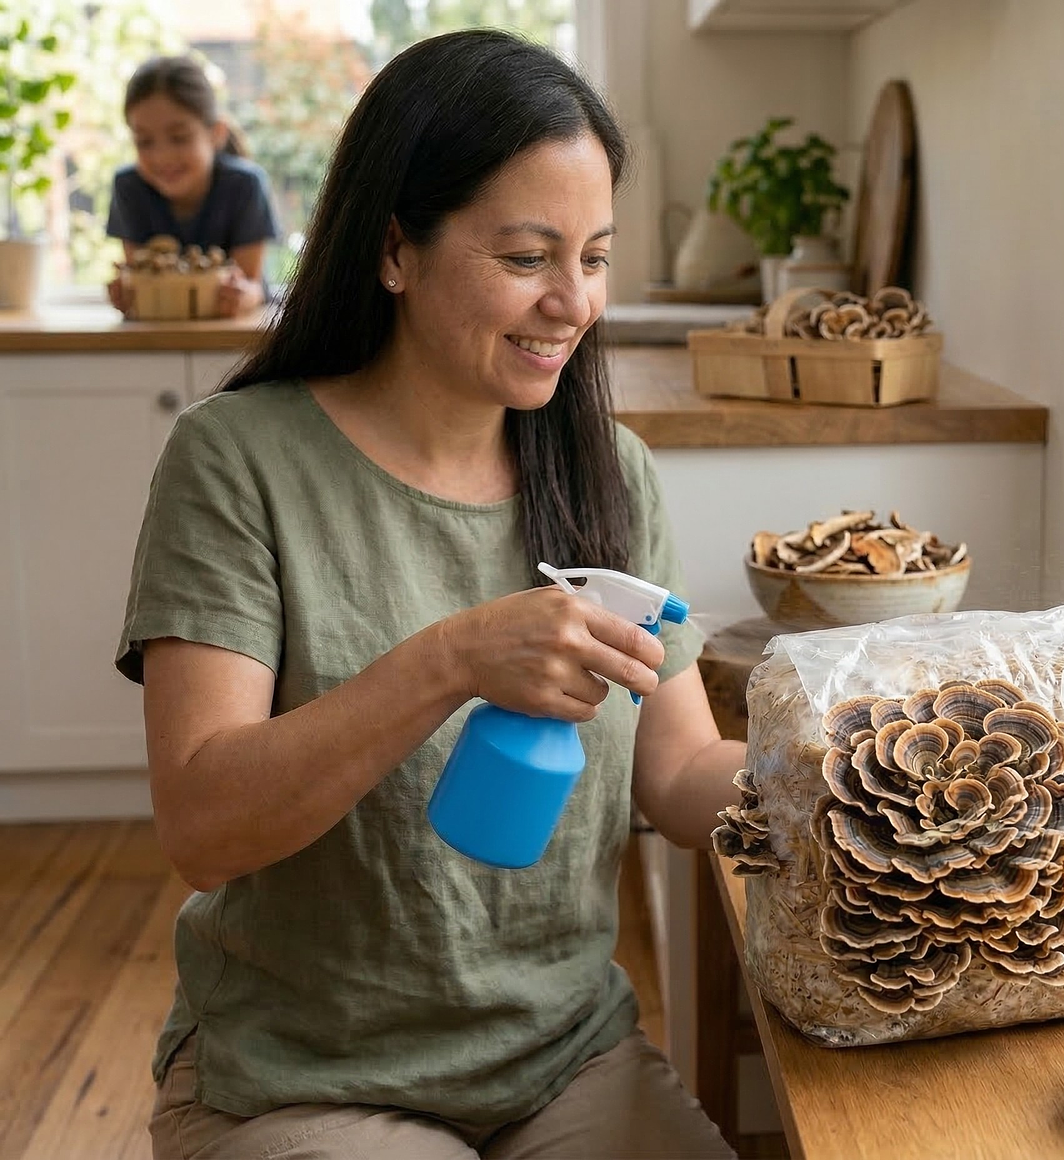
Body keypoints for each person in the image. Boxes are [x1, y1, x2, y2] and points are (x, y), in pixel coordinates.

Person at [117, 29, 746, 1160]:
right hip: (302, 1075)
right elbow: (202, 826)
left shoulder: (612, 469)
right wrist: (450, 660)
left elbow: (683, 771)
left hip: (563, 1056)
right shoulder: (238, 459)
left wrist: (834, 770)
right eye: (525, 257)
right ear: (395, 247)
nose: (573, 302)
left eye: (595, 257)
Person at [106, 56, 279, 318]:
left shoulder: (245, 185)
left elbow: (251, 285)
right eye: (144, 142)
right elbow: (140, 276)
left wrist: (243, 296)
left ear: (216, 134)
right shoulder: (129, 186)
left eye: (179, 138)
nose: (162, 156)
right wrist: (128, 293)